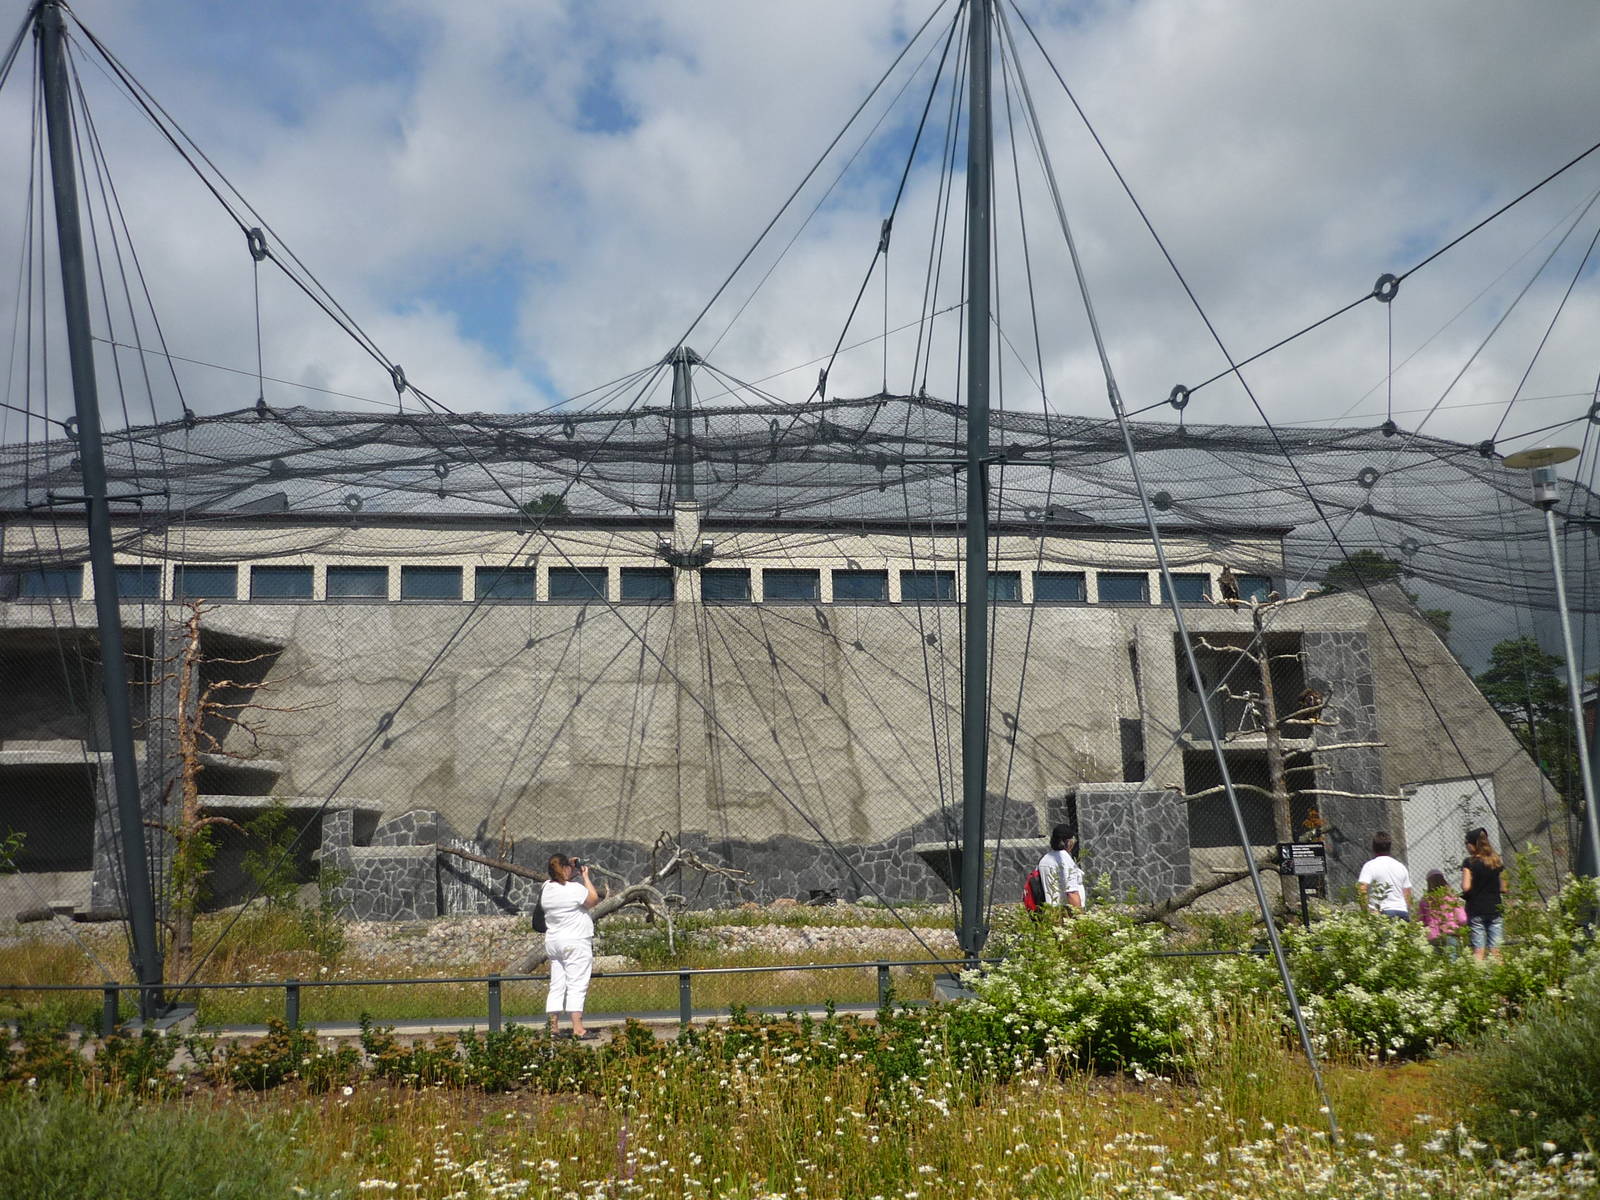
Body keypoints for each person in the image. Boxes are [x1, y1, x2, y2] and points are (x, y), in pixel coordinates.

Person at [542, 853, 600, 1038]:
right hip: (575, 941)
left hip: (554, 942)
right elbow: (593, 899)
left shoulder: (546, 887)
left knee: (557, 985)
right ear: (566, 868)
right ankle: (578, 1028)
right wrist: (585, 876)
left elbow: (560, 880)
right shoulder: (575, 889)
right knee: (577, 984)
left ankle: (553, 1027)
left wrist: (571, 869)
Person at [1460, 827, 1507, 961]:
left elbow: (1466, 887)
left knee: (1478, 951)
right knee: (1496, 951)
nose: (1466, 846)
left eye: (1466, 843)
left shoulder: (1469, 862)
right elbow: (1504, 887)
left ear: (1472, 844)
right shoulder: (1496, 861)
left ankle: (1478, 973)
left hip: (1476, 909)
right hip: (1495, 908)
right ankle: (1499, 972)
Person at [1356, 831, 1412, 919]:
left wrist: (1366, 911)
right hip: (1402, 912)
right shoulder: (1401, 867)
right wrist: (1405, 910)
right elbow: (1407, 893)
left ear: (1373, 847)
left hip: (1381, 913)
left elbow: (1362, 889)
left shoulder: (1370, 866)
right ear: (1390, 847)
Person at [1036, 823, 1085, 910]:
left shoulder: (1044, 859)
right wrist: (1080, 915)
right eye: (1073, 839)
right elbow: (1071, 893)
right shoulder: (1065, 860)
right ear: (1068, 842)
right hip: (1066, 912)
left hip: (1050, 911)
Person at [1417, 868, 1466, 955]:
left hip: (1433, 936)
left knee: (1437, 960)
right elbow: (1462, 919)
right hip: (1450, 933)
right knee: (1452, 959)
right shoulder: (1452, 897)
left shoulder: (1424, 901)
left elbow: (1420, 921)